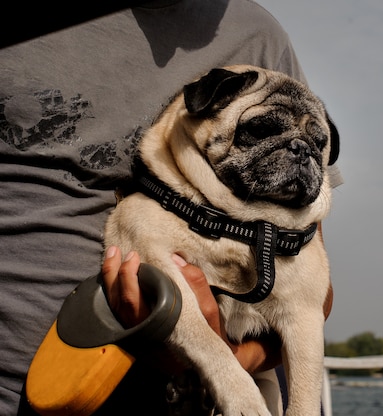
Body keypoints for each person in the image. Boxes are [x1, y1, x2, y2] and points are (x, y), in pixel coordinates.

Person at [0, 0, 340, 414]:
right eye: (262, 130)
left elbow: (312, 288)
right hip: (37, 384)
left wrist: (227, 364)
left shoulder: (259, 35)